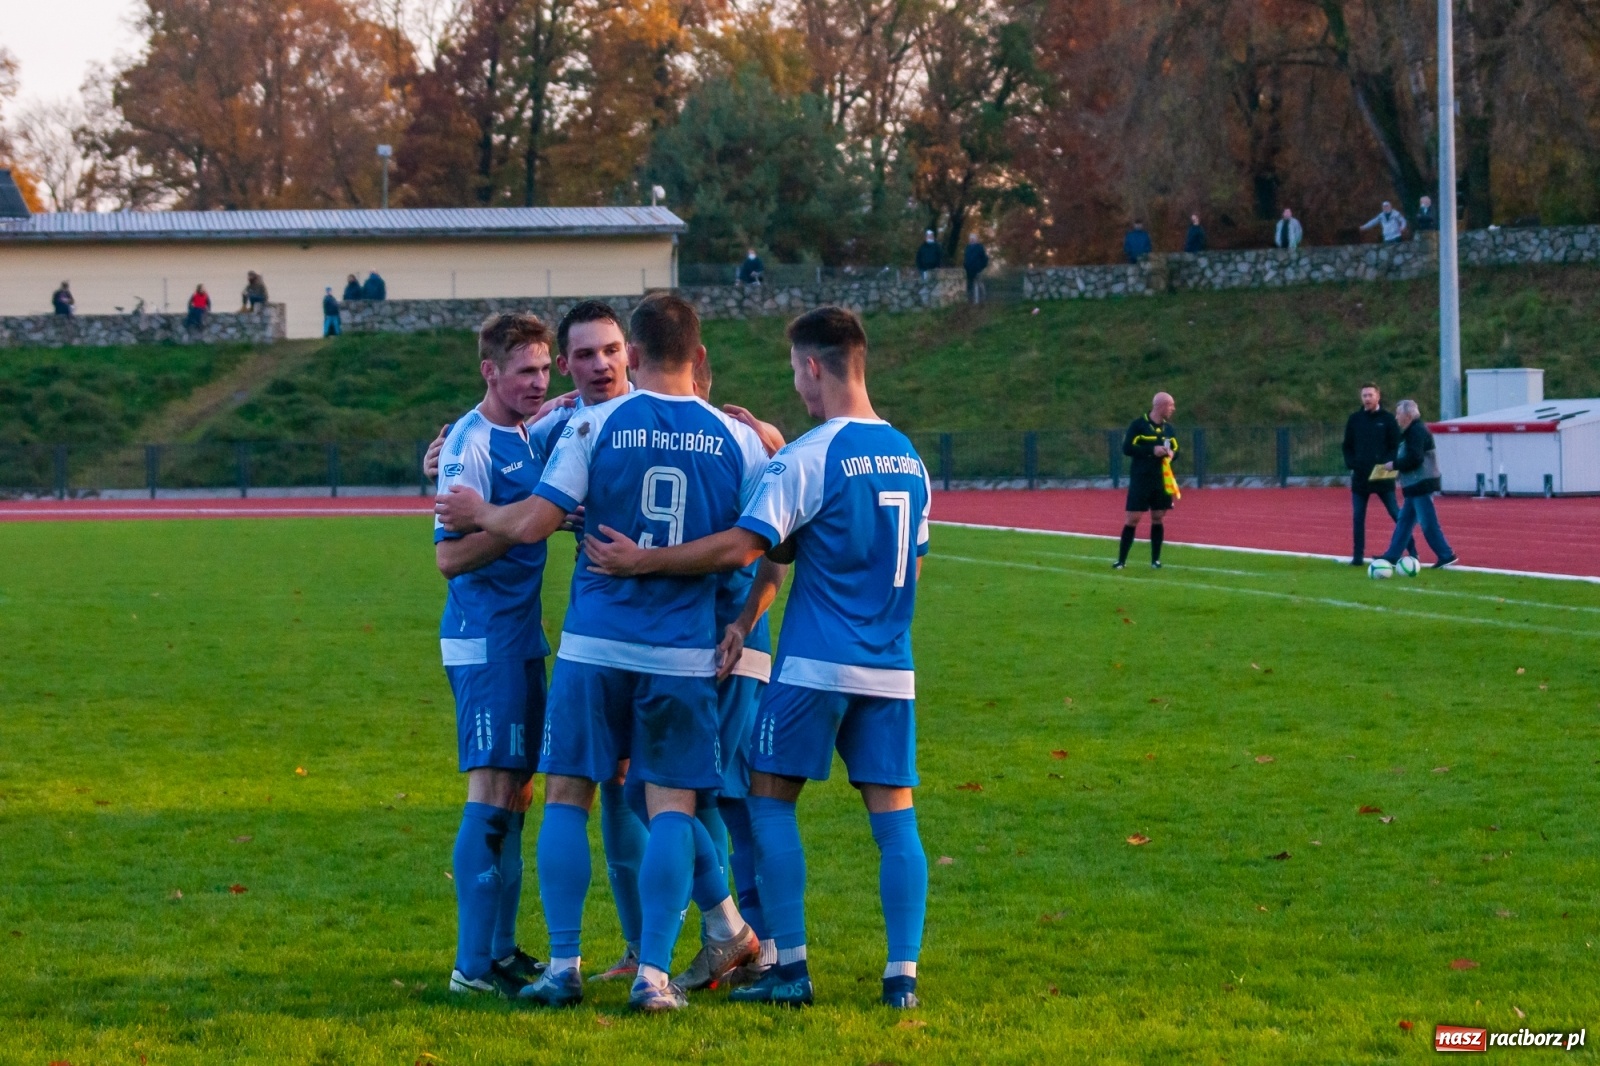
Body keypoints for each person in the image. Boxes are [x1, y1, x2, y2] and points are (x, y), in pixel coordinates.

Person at [583, 305, 934, 1011]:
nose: (797, 387)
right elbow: (911, 565)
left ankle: (791, 968)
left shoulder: (810, 455)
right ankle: (902, 979)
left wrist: (644, 560)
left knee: (768, 803)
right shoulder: (910, 457)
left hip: (813, 666)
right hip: (892, 666)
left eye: (796, 372)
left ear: (813, 366)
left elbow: (743, 547)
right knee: (896, 820)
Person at [436, 293, 771, 1014]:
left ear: (635, 355)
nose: (601, 365)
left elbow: (534, 520)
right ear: (698, 356)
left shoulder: (591, 425)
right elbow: (757, 543)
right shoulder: (738, 438)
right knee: (673, 805)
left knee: (566, 796)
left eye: (612, 352)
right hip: (682, 650)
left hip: (592, 644)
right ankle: (653, 974)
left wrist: (479, 512)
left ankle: (564, 965)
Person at [433, 313, 557, 998]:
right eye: (524, 371)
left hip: (520, 637)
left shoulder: (526, 430)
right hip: (483, 641)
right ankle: (470, 967)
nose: (538, 382)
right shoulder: (471, 442)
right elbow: (449, 558)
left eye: (544, 369)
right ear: (489, 372)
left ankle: (501, 949)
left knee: (518, 792)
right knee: (489, 790)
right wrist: (527, 523)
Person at [1379, 399, 1459, 568]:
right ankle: (1392, 556)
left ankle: (1446, 554)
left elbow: (1415, 458)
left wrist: (1394, 465)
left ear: (1408, 415)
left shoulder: (1416, 431)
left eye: (1398, 413)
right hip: (1415, 485)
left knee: (1427, 522)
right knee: (1404, 522)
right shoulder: (1414, 431)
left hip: (1421, 483)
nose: (1396, 417)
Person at [1341, 382, 1413, 566]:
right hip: (1360, 477)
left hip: (1382, 476)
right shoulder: (1355, 419)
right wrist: (1352, 464)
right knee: (1358, 518)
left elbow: (1394, 446)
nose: (1367, 399)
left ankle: (1413, 551)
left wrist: (1387, 464)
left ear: (1378, 396)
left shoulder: (1388, 419)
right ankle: (1357, 557)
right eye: (1364, 395)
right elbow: (1347, 446)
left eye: (1370, 395)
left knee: (1396, 514)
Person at [1115, 392, 1179, 569]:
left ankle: (1155, 561)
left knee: (1158, 517)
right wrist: (1152, 450)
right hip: (1141, 479)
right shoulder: (1138, 425)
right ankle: (1121, 560)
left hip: (1161, 480)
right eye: (1170, 405)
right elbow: (1127, 448)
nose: (1173, 409)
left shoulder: (1169, 429)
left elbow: (1177, 450)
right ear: (1160, 406)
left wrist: (1172, 454)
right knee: (1133, 518)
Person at [963, 233, 989, 304]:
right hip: (969, 270)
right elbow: (966, 258)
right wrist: (965, 265)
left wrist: (981, 267)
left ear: (976, 239)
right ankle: (972, 300)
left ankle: (981, 299)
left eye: (973, 239)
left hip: (978, 269)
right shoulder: (967, 248)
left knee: (979, 284)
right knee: (971, 285)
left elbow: (984, 259)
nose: (971, 240)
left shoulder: (980, 247)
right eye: (970, 239)